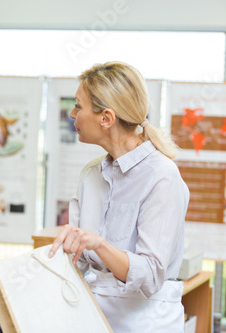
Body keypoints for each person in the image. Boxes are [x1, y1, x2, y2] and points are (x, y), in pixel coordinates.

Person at [48, 62, 189, 332]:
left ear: (106, 118)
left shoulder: (162, 175)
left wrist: (98, 244)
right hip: (93, 318)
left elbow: (150, 276)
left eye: (78, 105)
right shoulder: (91, 174)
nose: (71, 113)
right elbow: (79, 261)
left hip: (146, 323)